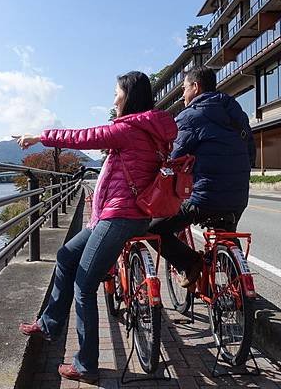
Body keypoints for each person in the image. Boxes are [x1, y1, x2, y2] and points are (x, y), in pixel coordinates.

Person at [16, 71, 177, 383]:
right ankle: (49, 323)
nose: (114, 99)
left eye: (117, 93)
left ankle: (86, 364)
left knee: (84, 285)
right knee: (65, 256)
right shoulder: (154, 131)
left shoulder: (128, 128)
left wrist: (41, 136)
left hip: (119, 216)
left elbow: (83, 137)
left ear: (129, 96)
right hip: (131, 214)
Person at [149, 66, 255, 288]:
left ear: (196, 87)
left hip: (204, 198)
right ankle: (240, 290)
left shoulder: (191, 116)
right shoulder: (235, 111)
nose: (183, 94)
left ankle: (190, 263)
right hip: (238, 196)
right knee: (225, 234)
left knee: (151, 228)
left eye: (184, 88)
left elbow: (172, 156)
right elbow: (250, 151)